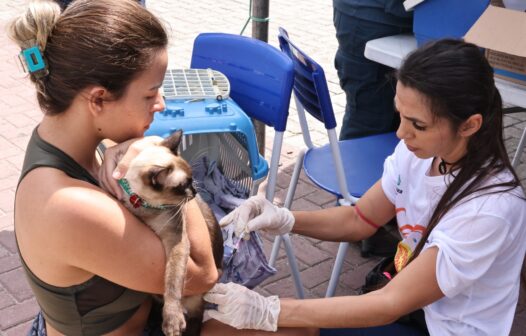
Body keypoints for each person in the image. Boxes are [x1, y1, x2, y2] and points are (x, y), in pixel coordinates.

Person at [199, 39, 526, 336]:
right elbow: (360, 220)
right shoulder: (420, 152)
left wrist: (269, 309)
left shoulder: (491, 208)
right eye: (400, 115)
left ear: (469, 124)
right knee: (229, 327)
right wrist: (285, 218)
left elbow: (389, 304)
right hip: (405, 304)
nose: (401, 133)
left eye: (418, 125)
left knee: (261, 327)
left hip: (442, 327)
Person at [10, 1, 219, 335]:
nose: (161, 104)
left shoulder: (70, 139)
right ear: (98, 100)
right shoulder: (68, 204)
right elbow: (203, 273)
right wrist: (156, 152)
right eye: (150, 94)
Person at [333, 0, 412, 141]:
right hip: (372, 23)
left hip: (367, 19)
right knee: (368, 123)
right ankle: (348, 162)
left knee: (369, 119)